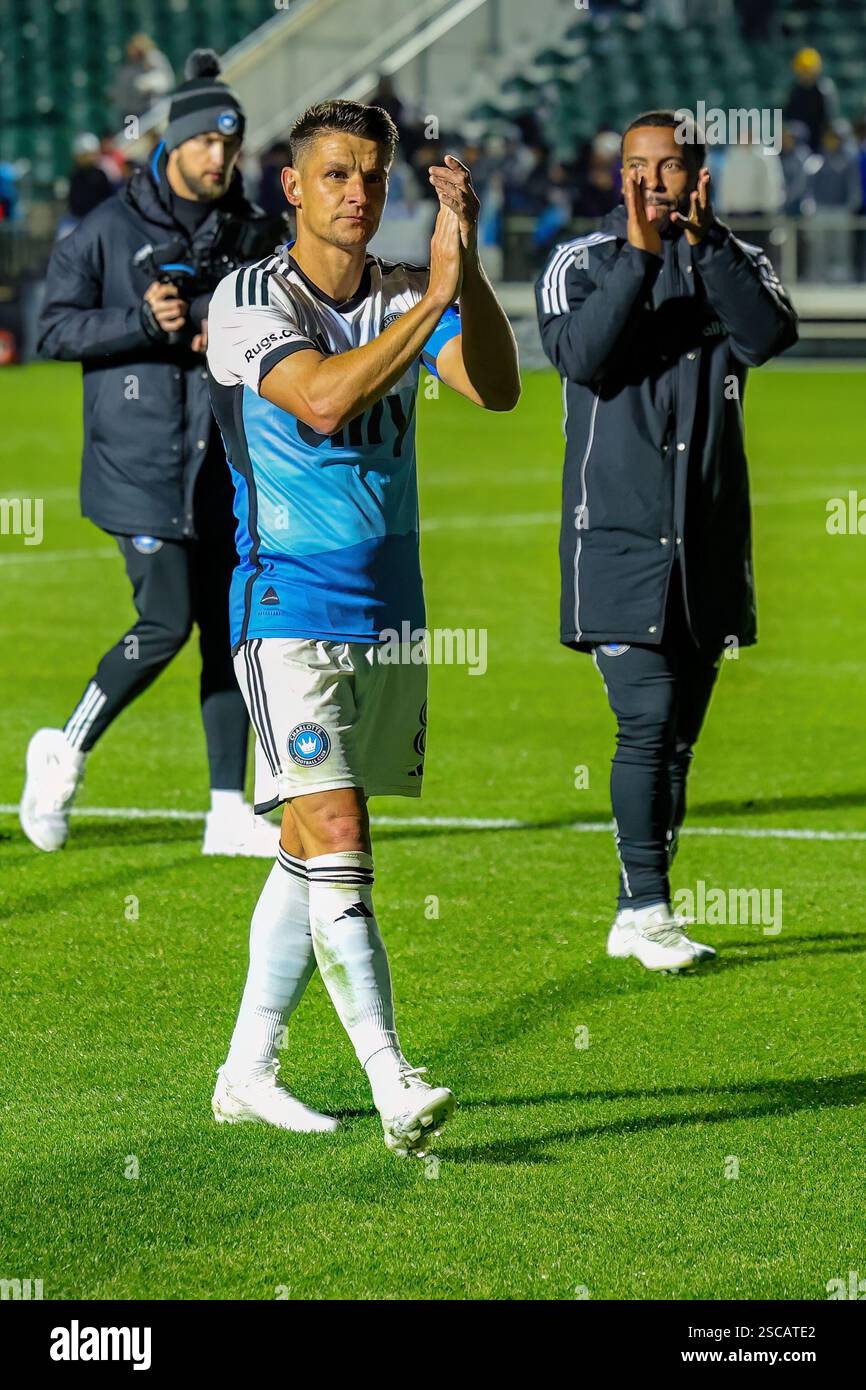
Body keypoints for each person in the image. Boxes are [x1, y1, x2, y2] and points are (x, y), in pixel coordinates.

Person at [205, 99, 520, 1152]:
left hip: (389, 614)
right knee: (337, 833)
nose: (357, 194)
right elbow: (324, 401)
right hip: (284, 607)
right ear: (291, 187)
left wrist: (460, 269)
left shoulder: (403, 290)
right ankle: (393, 1082)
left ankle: (247, 1069)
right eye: (335, 175)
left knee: (310, 849)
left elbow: (497, 385)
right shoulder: (247, 297)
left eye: (372, 178)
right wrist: (429, 295)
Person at [535, 110, 798, 972]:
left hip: (708, 547)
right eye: (640, 167)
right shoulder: (581, 263)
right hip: (614, 540)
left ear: (698, 175)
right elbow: (581, 356)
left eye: (672, 167)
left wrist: (708, 242)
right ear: (620, 175)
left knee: (677, 737)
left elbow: (768, 335)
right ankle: (649, 908)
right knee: (644, 723)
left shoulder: (735, 260)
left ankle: (634, 910)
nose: (655, 181)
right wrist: (645, 257)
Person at [22, 50, 289, 857]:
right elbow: (51, 327)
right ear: (172, 142)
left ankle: (226, 810)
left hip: (228, 462)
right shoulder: (106, 229)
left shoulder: (252, 230)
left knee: (231, 630)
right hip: (139, 465)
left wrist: (227, 327)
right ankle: (62, 750)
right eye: (206, 140)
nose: (218, 157)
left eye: (230, 144)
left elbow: (280, 313)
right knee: (164, 621)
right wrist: (143, 323)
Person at [784, 48, 839, 154]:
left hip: (821, 145)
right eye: (802, 70)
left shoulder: (824, 89)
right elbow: (789, 117)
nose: (804, 74)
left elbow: (829, 120)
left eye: (807, 70)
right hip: (800, 145)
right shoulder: (796, 90)